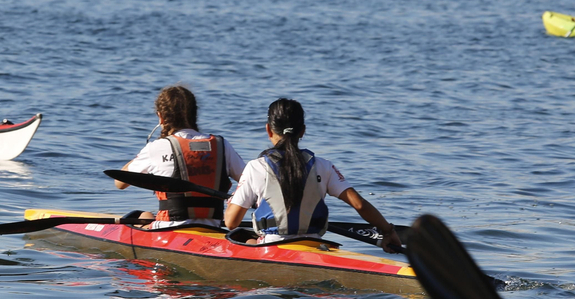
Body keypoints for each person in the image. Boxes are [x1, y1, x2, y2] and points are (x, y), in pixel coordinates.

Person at [221, 98, 403, 253]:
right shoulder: (323, 166)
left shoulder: (255, 167)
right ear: (303, 131)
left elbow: (231, 222)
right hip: (315, 246)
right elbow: (359, 204)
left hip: (271, 247)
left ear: (269, 130)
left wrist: (233, 201)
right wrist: (387, 231)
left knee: (242, 237)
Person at [114, 85, 245, 229]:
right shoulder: (222, 145)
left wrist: (146, 153)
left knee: (144, 215)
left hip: (168, 228)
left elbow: (119, 183)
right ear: (194, 114)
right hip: (212, 227)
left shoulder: (157, 147)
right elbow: (248, 181)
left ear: (161, 117)